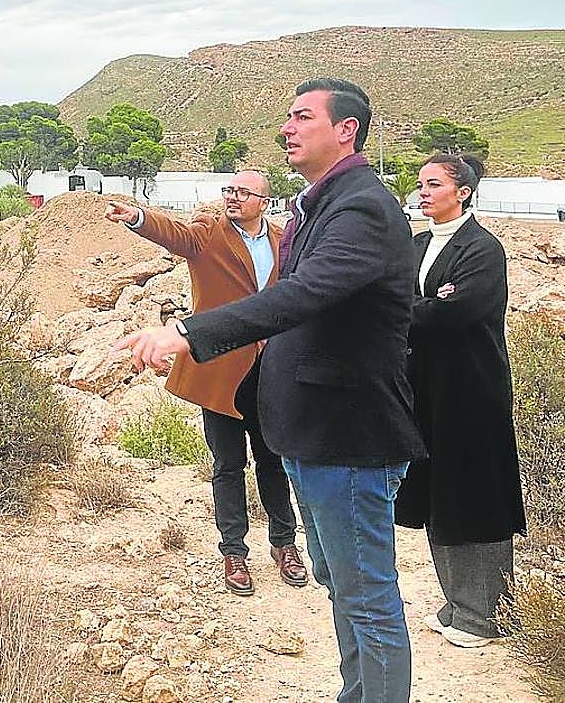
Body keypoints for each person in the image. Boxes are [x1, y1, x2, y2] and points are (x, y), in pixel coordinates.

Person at [115, 78, 425, 703]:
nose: (287, 128)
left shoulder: (361, 207)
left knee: (366, 599)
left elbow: (301, 295)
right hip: (315, 432)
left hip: (348, 436)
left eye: (303, 117)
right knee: (343, 588)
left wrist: (188, 331)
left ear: (346, 130)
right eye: (287, 117)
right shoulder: (322, 205)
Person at [105, 170, 306, 597]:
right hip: (221, 371)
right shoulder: (207, 232)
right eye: (229, 190)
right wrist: (138, 217)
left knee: (273, 462)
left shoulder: (283, 239)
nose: (232, 197)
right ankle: (234, 552)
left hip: (272, 369)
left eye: (242, 193)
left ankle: (284, 544)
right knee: (228, 464)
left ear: (264, 202)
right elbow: (174, 234)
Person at [394, 154, 526, 649]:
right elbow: (399, 301)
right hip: (426, 389)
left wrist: (425, 308)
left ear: (463, 191)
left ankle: (484, 615)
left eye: (433, 184)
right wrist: (430, 302)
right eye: (421, 184)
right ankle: (457, 602)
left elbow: (458, 313)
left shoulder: (483, 249)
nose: (422, 192)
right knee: (439, 493)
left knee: (475, 494)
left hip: (471, 391)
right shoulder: (418, 244)